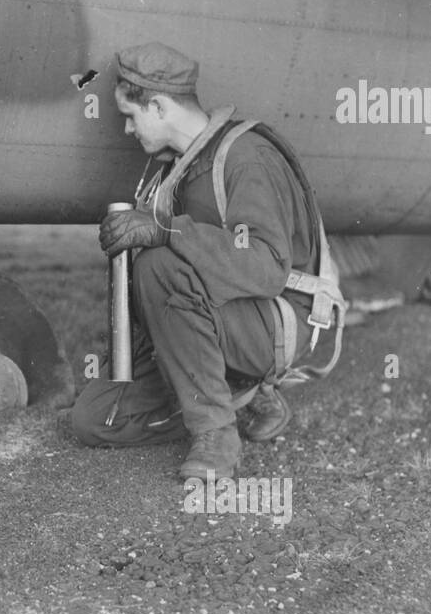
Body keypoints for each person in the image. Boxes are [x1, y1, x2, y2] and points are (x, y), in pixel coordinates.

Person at [70, 42, 342, 480]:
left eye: (130, 115)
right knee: (95, 418)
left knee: (159, 267)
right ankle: (239, 392)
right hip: (216, 321)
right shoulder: (175, 170)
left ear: (157, 106)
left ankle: (216, 433)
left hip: (277, 319)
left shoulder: (245, 156)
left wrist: (165, 232)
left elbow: (267, 267)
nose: (126, 130)